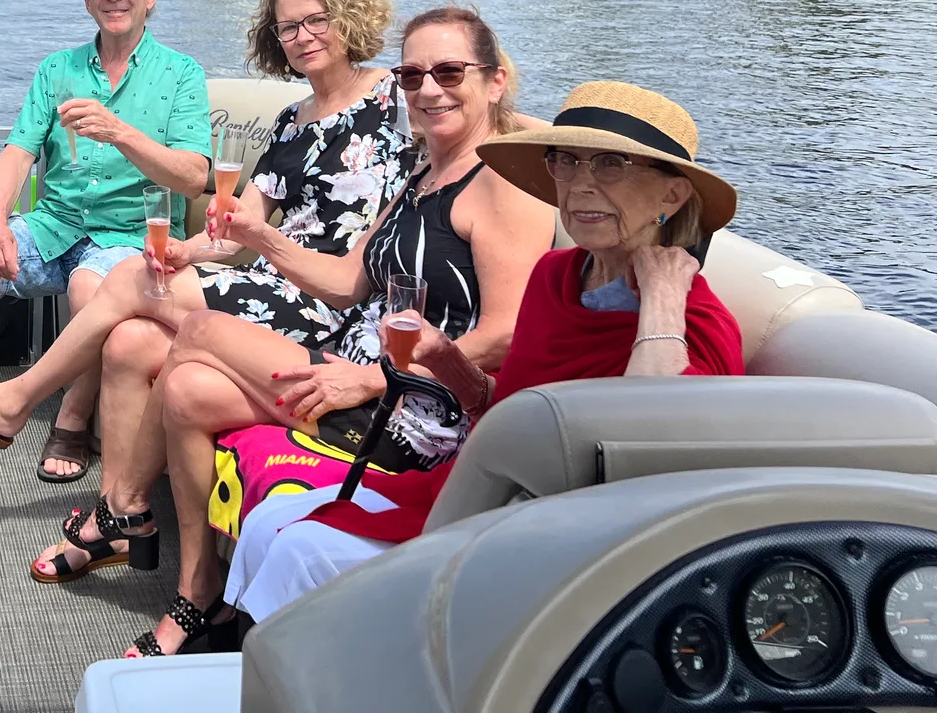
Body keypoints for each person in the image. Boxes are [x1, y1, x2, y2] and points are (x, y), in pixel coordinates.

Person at [0, 6, 553, 656]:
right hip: (353, 370)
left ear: (495, 81)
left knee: (195, 329)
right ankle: (199, 594)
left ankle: (93, 480)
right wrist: (260, 237)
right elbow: (347, 281)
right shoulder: (423, 175)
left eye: (449, 72)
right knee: (186, 388)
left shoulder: (506, 183)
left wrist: (371, 377)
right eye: (413, 74)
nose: (427, 89)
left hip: (412, 413)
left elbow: (509, 333)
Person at [223, 81, 744, 623]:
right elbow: (511, 413)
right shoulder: (556, 276)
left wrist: (662, 296)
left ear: (671, 196)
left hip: (560, 543)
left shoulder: (693, 323)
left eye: (610, 165)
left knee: (303, 551)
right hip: (486, 490)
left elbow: (644, 456)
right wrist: (446, 359)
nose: (581, 185)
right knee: (272, 521)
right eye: (566, 162)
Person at [0, 0, 212, 497]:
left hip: (133, 233)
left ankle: (72, 420)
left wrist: (119, 132)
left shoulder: (182, 74)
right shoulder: (56, 69)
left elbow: (193, 176)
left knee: (89, 286)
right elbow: (18, 152)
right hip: (56, 222)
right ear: (86, 0)